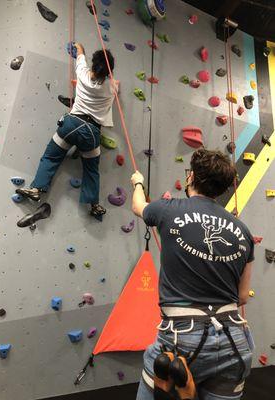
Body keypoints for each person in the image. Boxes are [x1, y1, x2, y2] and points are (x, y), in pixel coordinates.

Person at [131, 149, 255, 400]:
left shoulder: (170, 209)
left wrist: (138, 182)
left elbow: (137, 206)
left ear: (191, 178)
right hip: (234, 339)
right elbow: (242, 296)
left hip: (181, 338)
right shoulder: (243, 231)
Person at [17, 43, 119, 219]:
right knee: (91, 170)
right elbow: (115, 84)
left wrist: (79, 47)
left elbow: (80, 55)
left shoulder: (82, 73)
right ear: (109, 71)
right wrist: (108, 75)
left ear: (93, 65)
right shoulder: (112, 87)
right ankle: (94, 205)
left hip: (71, 125)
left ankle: (36, 189)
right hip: (91, 132)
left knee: (51, 156)